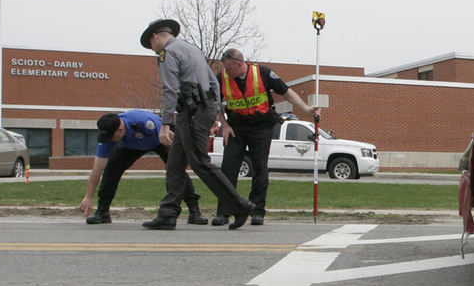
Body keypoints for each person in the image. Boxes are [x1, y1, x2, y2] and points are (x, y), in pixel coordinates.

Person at [140, 18, 253, 230]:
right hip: (200, 110)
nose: (153, 50)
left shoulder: (168, 53)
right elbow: (213, 83)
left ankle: (240, 205)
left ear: (155, 37)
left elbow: (170, 90)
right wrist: (213, 112)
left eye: (151, 46)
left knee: (200, 163)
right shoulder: (193, 50)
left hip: (192, 112)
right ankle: (168, 214)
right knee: (174, 164)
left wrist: (165, 124)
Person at [210, 48, 322, 226]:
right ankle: (224, 211)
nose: (226, 72)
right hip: (236, 128)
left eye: (229, 69)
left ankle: (257, 211)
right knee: (228, 167)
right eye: (224, 69)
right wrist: (224, 125)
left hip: (261, 127)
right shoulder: (222, 78)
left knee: (260, 167)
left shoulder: (263, 73)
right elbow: (214, 103)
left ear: (240, 64)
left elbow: (286, 92)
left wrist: (306, 109)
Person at [78, 110, 209, 226]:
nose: (109, 141)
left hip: (161, 138)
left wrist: (186, 155)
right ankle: (102, 212)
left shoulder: (145, 122)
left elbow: (175, 142)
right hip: (131, 146)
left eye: (111, 138)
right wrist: (88, 197)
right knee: (111, 170)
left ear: (120, 129)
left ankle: (194, 212)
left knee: (176, 171)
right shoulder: (109, 138)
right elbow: (97, 170)